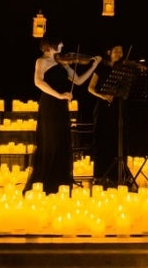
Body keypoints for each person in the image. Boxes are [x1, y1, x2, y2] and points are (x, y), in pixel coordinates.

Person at [26, 39, 99, 195]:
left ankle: (59, 181)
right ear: (50, 45)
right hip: (50, 105)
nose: (63, 46)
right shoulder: (41, 61)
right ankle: (47, 182)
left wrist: (93, 66)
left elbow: (78, 81)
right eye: (59, 43)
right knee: (50, 141)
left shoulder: (62, 63)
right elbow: (38, 82)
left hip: (61, 106)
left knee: (60, 141)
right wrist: (59, 95)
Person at [85, 45, 127, 187]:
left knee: (117, 140)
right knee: (102, 141)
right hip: (103, 107)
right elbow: (90, 88)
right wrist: (103, 95)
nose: (119, 54)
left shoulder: (124, 70)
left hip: (118, 108)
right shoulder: (102, 68)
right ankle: (100, 175)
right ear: (109, 52)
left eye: (121, 51)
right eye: (116, 51)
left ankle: (116, 176)